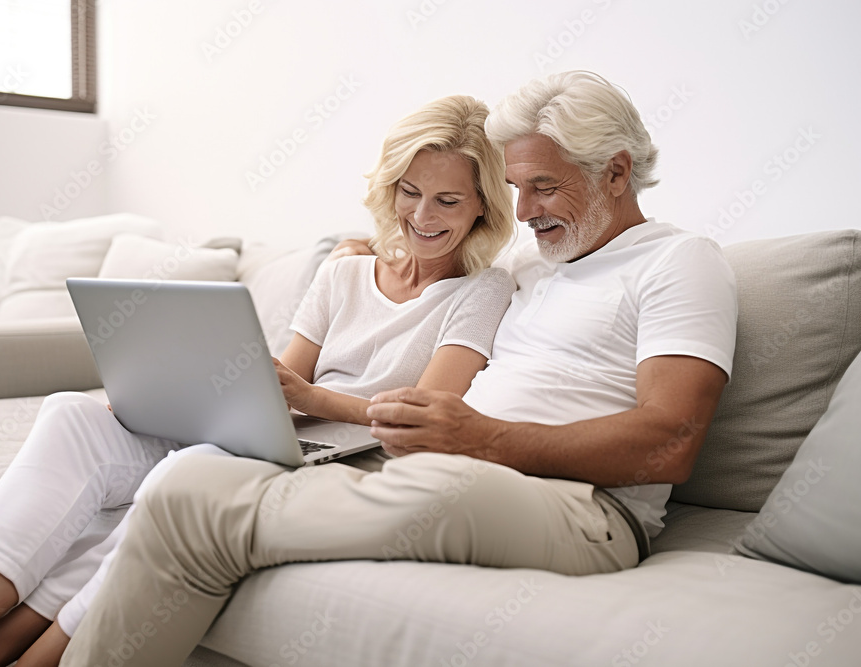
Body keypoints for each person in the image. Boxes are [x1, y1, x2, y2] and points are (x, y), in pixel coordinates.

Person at [58, 70, 739, 665]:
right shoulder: (534, 264)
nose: (524, 211)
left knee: (212, 508)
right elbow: (435, 262)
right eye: (514, 187)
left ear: (617, 172)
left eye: (543, 187)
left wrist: (482, 437)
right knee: (190, 483)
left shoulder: (679, 262)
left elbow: (671, 440)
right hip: (461, 469)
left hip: (583, 508)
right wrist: (369, 251)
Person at [0, 95, 517, 667]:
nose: (423, 215)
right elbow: (279, 384)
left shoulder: (483, 290)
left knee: (177, 481)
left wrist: (312, 399)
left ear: (484, 204)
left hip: (342, 460)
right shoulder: (343, 275)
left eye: (448, 200)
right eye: (410, 191)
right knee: (70, 417)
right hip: (273, 436)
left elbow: (427, 414)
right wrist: (163, 393)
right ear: (390, 187)